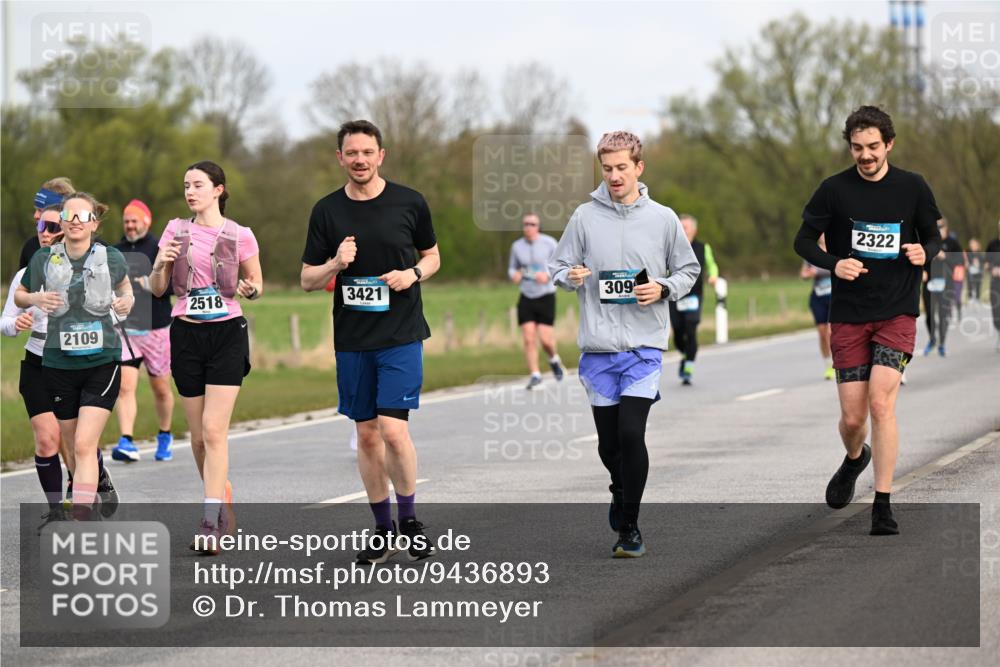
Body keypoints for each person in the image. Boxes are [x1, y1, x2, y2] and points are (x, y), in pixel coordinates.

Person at [550, 131, 699, 558]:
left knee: (632, 433)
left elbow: (688, 271)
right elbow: (558, 266)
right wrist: (569, 276)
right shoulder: (584, 217)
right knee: (609, 445)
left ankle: (630, 528)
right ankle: (620, 487)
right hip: (598, 350)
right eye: (607, 168)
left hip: (643, 347)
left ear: (639, 167)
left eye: (621, 167)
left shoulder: (663, 219)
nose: (614, 176)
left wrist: (663, 288)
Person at [794, 106, 941, 536]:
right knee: (854, 419)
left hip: (897, 310)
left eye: (873, 146)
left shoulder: (913, 186)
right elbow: (803, 240)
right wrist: (833, 263)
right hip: (850, 315)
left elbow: (933, 237)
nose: (866, 155)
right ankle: (856, 457)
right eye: (858, 147)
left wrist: (925, 252)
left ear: (889, 144)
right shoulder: (834, 190)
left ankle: (882, 504)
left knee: (881, 403)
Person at [301, 120, 440, 564]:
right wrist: (335, 263)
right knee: (366, 435)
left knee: (393, 431)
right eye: (351, 153)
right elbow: (307, 279)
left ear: (381, 155)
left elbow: (432, 256)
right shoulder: (327, 210)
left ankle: (410, 520)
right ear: (340, 158)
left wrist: (412, 274)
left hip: (401, 333)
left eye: (367, 152)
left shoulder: (409, 202)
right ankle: (383, 529)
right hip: (353, 340)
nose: (359, 160)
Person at [150, 161, 262, 554]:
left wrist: (251, 290)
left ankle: (210, 521)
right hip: (186, 335)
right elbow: (158, 288)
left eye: (198, 185)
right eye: (186, 185)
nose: (190, 192)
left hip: (227, 334)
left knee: (214, 431)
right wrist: (161, 262)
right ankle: (221, 496)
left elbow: (257, 284)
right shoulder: (175, 230)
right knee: (198, 439)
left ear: (218, 190)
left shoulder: (240, 234)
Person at [14, 193, 134, 521]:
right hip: (58, 363)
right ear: (63, 223)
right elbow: (20, 295)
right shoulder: (43, 258)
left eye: (83, 216)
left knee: (83, 444)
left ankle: (82, 521)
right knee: (71, 444)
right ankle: (92, 496)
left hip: (102, 362)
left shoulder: (110, 257)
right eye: (69, 216)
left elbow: (126, 288)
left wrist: (126, 301)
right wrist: (37, 298)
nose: (76, 221)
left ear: (94, 223)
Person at [112, 199, 176, 462]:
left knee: (161, 388)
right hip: (126, 330)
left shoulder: (160, 248)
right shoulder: (116, 251)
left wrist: (150, 284)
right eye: (126, 221)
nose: (129, 225)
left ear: (146, 222)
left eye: (134, 221)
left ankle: (165, 434)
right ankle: (126, 440)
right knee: (125, 387)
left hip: (156, 329)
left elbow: (175, 285)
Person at [508, 212, 564, 389]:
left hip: (546, 295)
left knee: (546, 340)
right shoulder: (517, 246)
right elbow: (512, 268)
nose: (528, 227)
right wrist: (514, 275)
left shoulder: (549, 243)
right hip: (526, 295)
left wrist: (547, 275)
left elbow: (559, 265)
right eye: (525, 224)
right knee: (528, 338)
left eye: (532, 224)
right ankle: (535, 374)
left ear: (538, 227)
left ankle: (553, 359)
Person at [668, 214, 718, 385]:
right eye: (680, 227)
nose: (683, 230)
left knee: (690, 329)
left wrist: (713, 276)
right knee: (677, 333)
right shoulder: (671, 246)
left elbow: (712, 265)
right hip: (674, 296)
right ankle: (685, 354)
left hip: (694, 296)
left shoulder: (703, 247)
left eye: (686, 227)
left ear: (694, 230)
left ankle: (688, 366)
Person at [921, 218, 963, 357]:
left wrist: (945, 257)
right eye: (936, 227)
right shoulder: (928, 242)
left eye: (941, 227)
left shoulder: (952, 243)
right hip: (930, 283)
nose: (939, 229)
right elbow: (921, 258)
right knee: (929, 314)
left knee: (943, 315)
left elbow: (960, 261)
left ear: (946, 228)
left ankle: (942, 343)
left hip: (946, 284)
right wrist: (922, 271)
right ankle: (933, 339)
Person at [19, 178, 77, 271]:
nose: (35, 215)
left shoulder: (93, 248)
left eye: (41, 210)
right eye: (35, 209)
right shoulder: (31, 247)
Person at [799, 234, 835, 380]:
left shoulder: (836, 248)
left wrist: (818, 271)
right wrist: (808, 274)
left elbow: (838, 267)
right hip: (818, 297)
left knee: (831, 332)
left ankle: (838, 362)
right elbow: (803, 274)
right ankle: (828, 365)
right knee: (822, 333)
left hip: (834, 296)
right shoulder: (811, 252)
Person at [986, 223, 1000, 351]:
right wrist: (992, 269)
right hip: (995, 283)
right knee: (996, 311)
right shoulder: (992, 245)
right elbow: (986, 264)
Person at [966, 238, 984, 304]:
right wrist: (968, 263)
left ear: (977, 244)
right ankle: (970, 297)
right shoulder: (968, 253)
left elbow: (983, 262)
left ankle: (977, 298)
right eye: (971, 244)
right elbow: (966, 262)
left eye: (973, 243)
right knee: (970, 285)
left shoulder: (980, 253)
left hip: (978, 272)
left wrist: (978, 263)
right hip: (970, 272)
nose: (972, 245)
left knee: (978, 285)